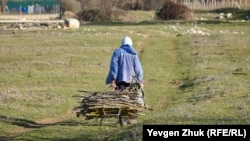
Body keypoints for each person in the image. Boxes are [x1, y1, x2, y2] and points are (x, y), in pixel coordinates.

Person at [105, 36, 144, 124]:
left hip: (120, 81)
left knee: (121, 99)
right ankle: (132, 118)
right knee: (132, 99)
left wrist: (113, 79)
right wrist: (140, 80)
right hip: (132, 82)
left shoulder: (117, 52)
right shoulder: (133, 54)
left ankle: (123, 119)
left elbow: (114, 67)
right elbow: (139, 69)